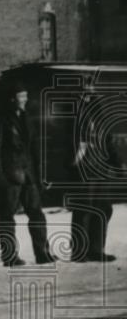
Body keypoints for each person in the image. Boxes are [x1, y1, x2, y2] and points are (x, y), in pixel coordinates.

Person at [0, 81, 54, 267]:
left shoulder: (27, 119)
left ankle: (42, 252)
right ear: (12, 99)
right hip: (10, 177)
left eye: (26, 96)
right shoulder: (0, 121)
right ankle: (9, 256)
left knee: (36, 213)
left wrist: (39, 174)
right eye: (21, 97)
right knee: (7, 215)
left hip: (29, 174)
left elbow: (34, 149)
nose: (25, 100)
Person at [69, 90, 121, 262]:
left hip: (100, 169)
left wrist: (117, 164)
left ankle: (95, 249)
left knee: (103, 208)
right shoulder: (77, 113)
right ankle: (79, 251)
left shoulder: (100, 119)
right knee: (85, 208)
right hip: (85, 168)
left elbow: (108, 141)